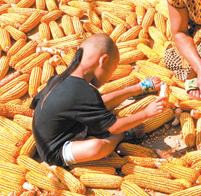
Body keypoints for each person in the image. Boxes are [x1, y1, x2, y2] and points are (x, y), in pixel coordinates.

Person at [30, 33, 166, 167]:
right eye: (112, 71)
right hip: (56, 149)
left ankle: (137, 88)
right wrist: (146, 113)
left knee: (98, 103)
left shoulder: (59, 78)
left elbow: (36, 104)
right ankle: (122, 137)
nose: (109, 77)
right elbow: (115, 127)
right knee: (98, 146)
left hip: (64, 128)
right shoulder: (83, 92)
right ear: (103, 61)